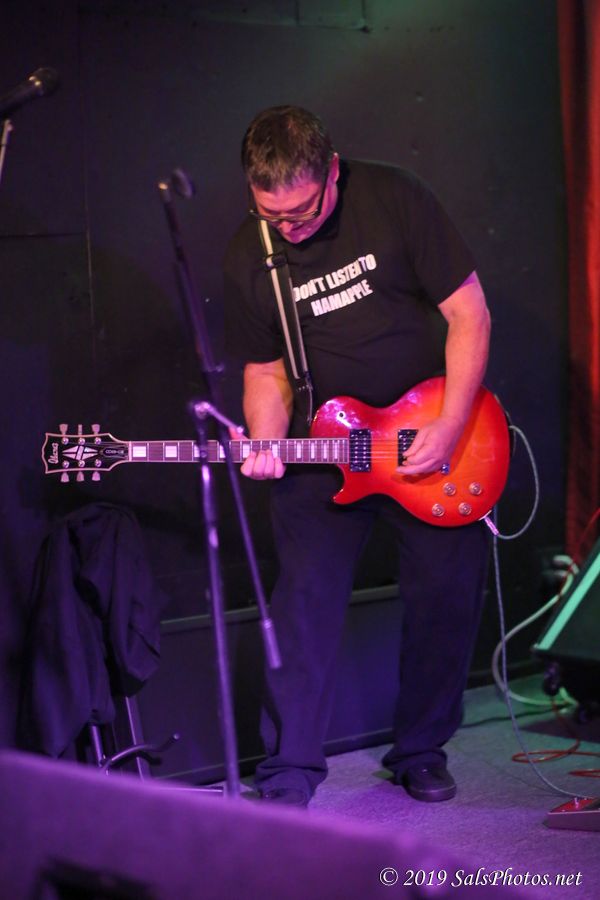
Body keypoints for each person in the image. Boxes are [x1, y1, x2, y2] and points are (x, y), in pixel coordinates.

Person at [224, 105, 491, 807]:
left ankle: (421, 750)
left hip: (426, 440)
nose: (290, 227)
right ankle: (289, 770)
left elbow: (469, 312)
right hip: (326, 448)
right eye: (271, 213)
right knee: (302, 605)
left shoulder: (395, 196)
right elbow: (265, 372)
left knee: (445, 595)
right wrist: (265, 441)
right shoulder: (251, 253)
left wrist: (451, 424)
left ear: (332, 171)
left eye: (303, 212)